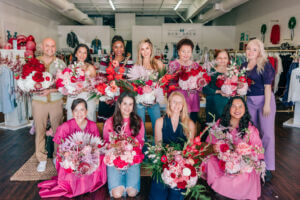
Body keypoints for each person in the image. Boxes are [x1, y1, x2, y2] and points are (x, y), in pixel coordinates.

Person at [38, 98, 107, 198]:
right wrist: (71, 156)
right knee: (69, 162)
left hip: (88, 157)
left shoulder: (92, 125)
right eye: (76, 110)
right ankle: (74, 184)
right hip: (71, 157)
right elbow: (60, 149)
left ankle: (90, 183)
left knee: (100, 157)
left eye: (82, 110)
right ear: (72, 112)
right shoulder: (65, 126)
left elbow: (96, 145)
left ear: (87, 111)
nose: (79, 113)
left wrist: (89, 153)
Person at [201, 97, 264, 200]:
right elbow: (210, 143)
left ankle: (226, 189)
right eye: (233, 106)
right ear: (228, 108)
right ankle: (220, 187)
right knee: (209, 161)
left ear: (245, 109)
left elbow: (258, 150)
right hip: (222, 159)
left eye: (240, 106)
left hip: (242, 162)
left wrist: (244, 157)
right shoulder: (220, 123)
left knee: (245, 172)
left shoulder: (250, 128)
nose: (237, 109)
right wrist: (220, 151)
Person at [149, 91, 196, 200]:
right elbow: (158, 148)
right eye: (174, 102)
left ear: (183, 105)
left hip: (181, 165)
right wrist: (167, 156)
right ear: (169, 103)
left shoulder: (189, 124)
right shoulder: (160, 122)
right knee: (158, 196)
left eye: (180, 103)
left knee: (175, 196)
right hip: (163, 162)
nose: (177, 105)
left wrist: (181, 163)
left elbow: (190, 150)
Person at [242, 39, 276, 181]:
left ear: (260, 51)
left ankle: (268, 167)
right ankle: (255, 163)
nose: (251, 52)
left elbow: (268, 86)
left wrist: (267, 104)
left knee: (267, 134)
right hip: (249, 101)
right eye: (249, 49)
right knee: (253, 133)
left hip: (264, 100)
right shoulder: (243, 65)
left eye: (254, 49)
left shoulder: (265, 64)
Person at [32, 38, 66, 172]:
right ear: (42, 46)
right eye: (47, 46)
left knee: (58, 131)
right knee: (40, 131)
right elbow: (27, 81)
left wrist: (50, 90)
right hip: (38, 101)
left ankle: (58, 157)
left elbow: (65, 85)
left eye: (53, 46)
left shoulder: (61, 63)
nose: (50, 49)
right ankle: (41, 158)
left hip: (55, 101)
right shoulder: (34, 63)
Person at [103, 92, 145, 198]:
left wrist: (129, 149)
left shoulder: (138, 121)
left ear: (133, 106)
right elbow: (107, 143)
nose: (127, 107)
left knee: (132, 193)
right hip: (115, 160)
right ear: (119, 104)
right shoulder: (110, 122)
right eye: (125, 104)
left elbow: (140, 142)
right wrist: (118, 150)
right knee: (117, 194)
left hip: (132, 159)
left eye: (130, 104)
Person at [98, 35, 133, 122]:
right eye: (116, 47)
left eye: (121, 47)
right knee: (107, 124)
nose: (119, 50)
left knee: (119, 124)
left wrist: (120, 87)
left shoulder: (129, 61)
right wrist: (107, 94)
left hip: (121, 99)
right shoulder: (105, 60)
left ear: (124, 48)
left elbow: (130, 81)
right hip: (107, 97)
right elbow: (101, 78)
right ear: (112, 48)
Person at [135, 38, 164, 138]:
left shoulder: (158, 64)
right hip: (140, 102)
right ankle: (142, 148)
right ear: (139, 51)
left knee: (157, 126)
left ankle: (156, 148)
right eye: (142, 49)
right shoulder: (137, 65)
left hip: (154, 101)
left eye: (147, 48)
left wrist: (156, 95)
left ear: (151, 49)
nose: (145, 51)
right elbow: (134, 86)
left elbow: (163, 83)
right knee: (140, 127)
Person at [168, 38, 201, 123]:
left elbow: (200, 83)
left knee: (191, 124)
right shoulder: (173, 65)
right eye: (183, 51)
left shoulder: (196, 65)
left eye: (188, 51)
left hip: (193, 99)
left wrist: (199, 86)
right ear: (178, 52)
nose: (186, 54)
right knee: (179, 124)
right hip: (179, 101)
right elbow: (169, 84)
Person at [202, 50, 230, 141]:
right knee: (213, 130)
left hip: (229, 105)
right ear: (215, 59)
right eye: (220, 58)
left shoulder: (232, 71)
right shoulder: (210, 71)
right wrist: (218, 91)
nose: (222, 60)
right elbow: (204, 88)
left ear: (228, 59)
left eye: (225, 58)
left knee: (227, 130)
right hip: (213, 105)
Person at [66, 43, 97, 122]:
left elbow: (95, 86)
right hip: (73, 97)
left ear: (87, 55)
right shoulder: (70, 67)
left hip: (86, 98)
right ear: (76, 54)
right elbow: (65, 83)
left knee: (88, 121)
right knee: (73, 121)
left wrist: (83, 89)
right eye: (80, 52)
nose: (82, 55)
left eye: (85, 53)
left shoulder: (90, 68)